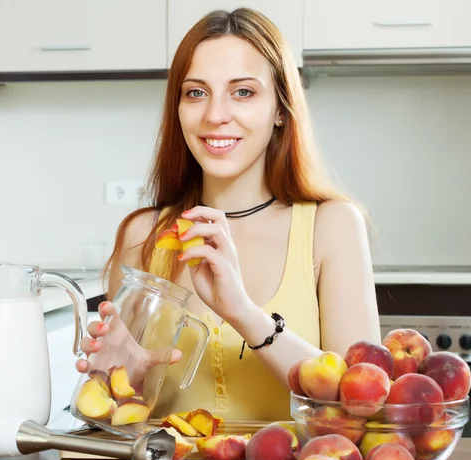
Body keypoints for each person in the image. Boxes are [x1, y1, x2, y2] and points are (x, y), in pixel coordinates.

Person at [76, 8, 382, 422]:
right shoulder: (142, 235)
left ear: (280, 109)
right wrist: (115, 381)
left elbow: (361, 407)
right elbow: (110, 418)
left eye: (243, 92)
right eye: (196, 93)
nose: (215, 115)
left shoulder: (333, 226)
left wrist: (244, 313)